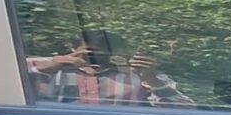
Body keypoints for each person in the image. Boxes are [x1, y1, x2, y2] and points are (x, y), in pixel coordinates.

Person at [25, 28, 193, 107]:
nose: (96, 58)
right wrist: (46, 69)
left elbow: (186, 110)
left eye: (105, 53)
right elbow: (9, 90)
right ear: (73, 49)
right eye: (90, 52)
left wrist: (152, 80)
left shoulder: (141, 74)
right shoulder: (44, 65)